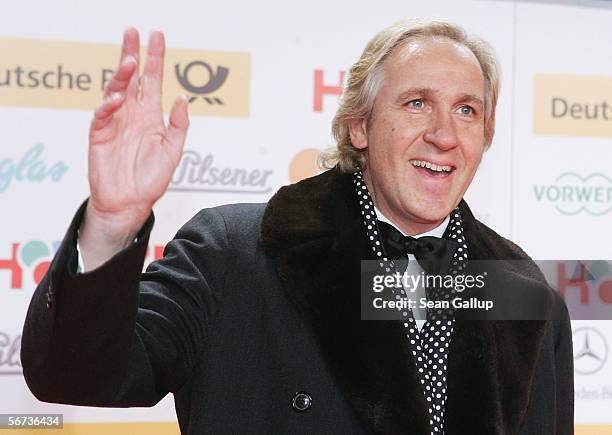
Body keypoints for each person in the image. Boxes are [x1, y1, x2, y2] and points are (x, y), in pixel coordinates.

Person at [21, 19, 573, 434]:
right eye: (416, 103)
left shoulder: (525, 292)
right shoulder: (234, 253)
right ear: (359, 126)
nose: (444, 134)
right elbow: (75, 374)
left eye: (467, 111)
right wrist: (112, 224)